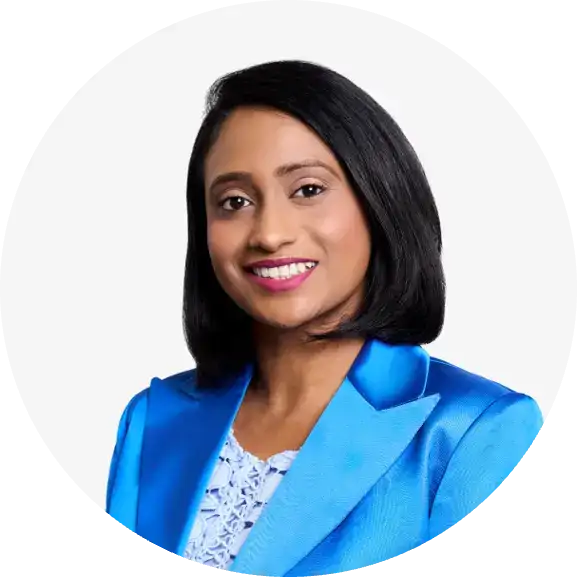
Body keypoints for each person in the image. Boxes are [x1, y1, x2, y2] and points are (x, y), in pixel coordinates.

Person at [105, 60, 543, 576]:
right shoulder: (151, 421)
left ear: (379, 199)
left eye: (308, 190)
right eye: (234, 201)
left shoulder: (477, 431)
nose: (270, 233)